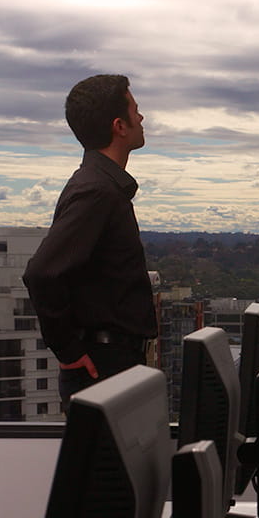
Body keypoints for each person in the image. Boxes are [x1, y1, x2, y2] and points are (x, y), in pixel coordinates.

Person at [23, 74, 157, 412]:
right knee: (107, 465)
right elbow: (42, 272)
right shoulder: (96, 191)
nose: (141, 118)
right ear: (119, 126)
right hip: (104, 367)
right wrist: (69, 351)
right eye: (135, 111)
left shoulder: (101, 186)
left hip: (112, 363)